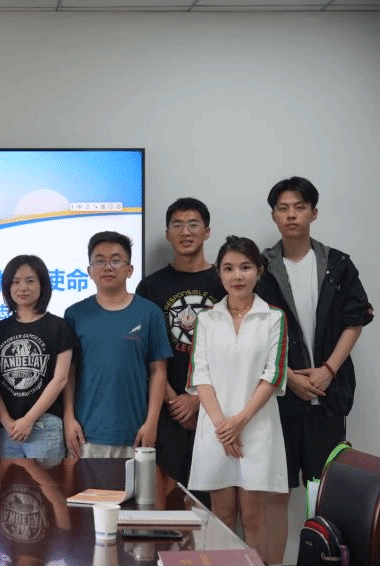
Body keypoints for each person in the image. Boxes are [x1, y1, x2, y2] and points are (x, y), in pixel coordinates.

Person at [256, 177, 373, 562]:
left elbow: (355, 320)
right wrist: (286, 376)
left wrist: (328, 370)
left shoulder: (337, 265)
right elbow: (254, 330)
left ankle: (320, 559)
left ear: (314, 213)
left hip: (327, 395)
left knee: (323, 492)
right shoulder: (261, 267)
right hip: (280, 400)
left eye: (299, 207)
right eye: (283, 208)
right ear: (274, 216)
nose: (291, 215)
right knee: (276, 492)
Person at [186, 235, 289, 565]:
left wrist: (240, 422)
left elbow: (273, 375)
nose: (237, 276)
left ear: (259, 271)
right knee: (222, 517)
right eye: (229, 268)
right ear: (219, 273)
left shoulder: (273, 317)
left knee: (254, 518)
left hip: (256, 430)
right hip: (215, 430)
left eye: (245, 267)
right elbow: (200, 374)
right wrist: (223, 426)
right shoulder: (206, 319)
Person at [135, 198, 224, 506]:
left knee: (210, 504)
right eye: (177, 225)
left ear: (207, 231)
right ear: (167, 233)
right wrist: (175, 401)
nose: (185, 232)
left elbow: (236, 351)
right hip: (166, 410)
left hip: (216, 409)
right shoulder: (150, 286)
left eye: (193, 225)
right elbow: (146, 353)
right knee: (166, 500)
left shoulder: (225, 282)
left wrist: (198, 399)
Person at [63, 231, 171, 459]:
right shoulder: (74, 314)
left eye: (115, 260)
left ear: (129, 269)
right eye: (99, 261)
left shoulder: (150, 313)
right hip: (86, 434)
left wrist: (152, 422)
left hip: (136, 433)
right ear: (89, 271)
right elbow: (69, 373)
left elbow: (159, 371)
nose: (107, 267)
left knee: (137, 484)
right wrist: (68, 418)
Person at [0, 255, 78, 459]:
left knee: (45, 480)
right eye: (15, 282)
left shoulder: (59, 327)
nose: (23, 288)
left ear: (42, 285)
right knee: (7, 481)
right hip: (7, 428)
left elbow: (61, 379)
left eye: (30, 281)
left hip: (44, 425)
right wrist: (5, 420)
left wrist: (28, 420)